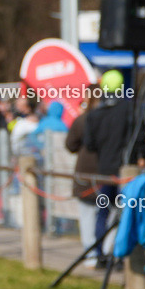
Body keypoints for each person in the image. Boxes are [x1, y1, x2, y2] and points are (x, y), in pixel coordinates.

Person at [84, 69, 145, 269]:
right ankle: (121, 256)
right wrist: (141, 156)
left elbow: (90, 144)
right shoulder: (130, 109)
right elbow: (140, 136)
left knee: (102, 212)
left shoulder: (94, 116)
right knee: (126, 213)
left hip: (105, 171)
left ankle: (100, 253)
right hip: (126, 172)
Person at [65, 88, 103, 268]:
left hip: (86, 173)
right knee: (105, 213)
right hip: (104, 172)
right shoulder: (108, 119)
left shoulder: (82, 120)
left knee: (88, 216)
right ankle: (104, 252)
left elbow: (70, 144)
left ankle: (92, 254)